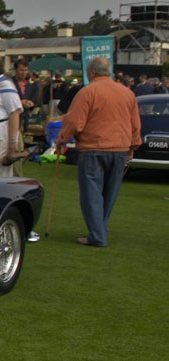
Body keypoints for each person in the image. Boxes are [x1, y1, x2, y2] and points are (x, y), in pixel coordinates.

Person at [56, 57, 141, 248]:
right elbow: (135, 124)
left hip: (93, 148)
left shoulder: (88, 92)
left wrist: (62, 139)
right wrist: (133, 146)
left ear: (92, 72)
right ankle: (100, 229)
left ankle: (97, 235)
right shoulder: (127, 93)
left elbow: (75, 122)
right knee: (110, 193)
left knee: (91, 193)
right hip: (119, 148)